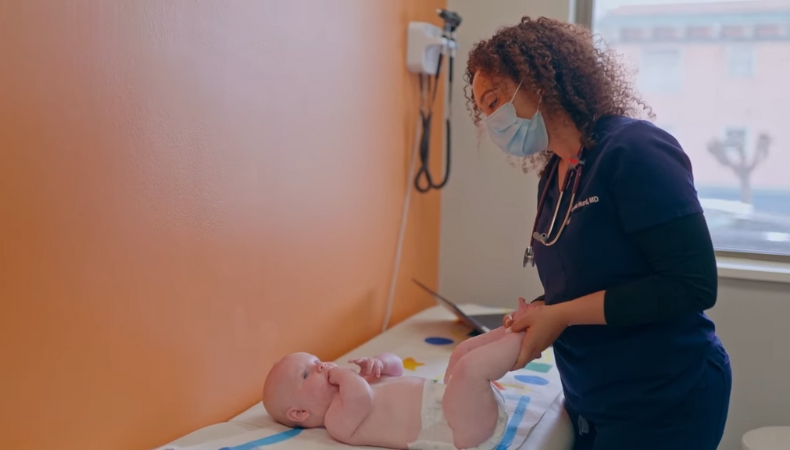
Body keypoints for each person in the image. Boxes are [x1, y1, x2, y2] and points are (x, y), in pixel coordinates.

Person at [465, 16, 732, 450]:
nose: (492, 120)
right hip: (593, 399)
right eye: (483, 110)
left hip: (665, 396)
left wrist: (561, 314)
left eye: (495, 100)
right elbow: (587, 283)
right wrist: (542, 308)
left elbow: (692, 285)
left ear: (535, 81)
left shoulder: (634, 151)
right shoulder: (554, 177)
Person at [261, 302, 537, 450]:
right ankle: (530, 335)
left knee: (461, 354)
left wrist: (380, 364)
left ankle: (513, 328)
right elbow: (361, 399)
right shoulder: (336, 421)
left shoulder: (355, 382)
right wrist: (346, 375)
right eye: (308, 373)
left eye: (318, 360)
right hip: (459, 431)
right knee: (470, 370)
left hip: (453, 402)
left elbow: (398, 369)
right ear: (299, 412)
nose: (322, 366)